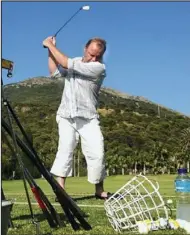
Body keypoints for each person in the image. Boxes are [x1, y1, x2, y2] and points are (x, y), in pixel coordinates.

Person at [43, 36, 111, 199]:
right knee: (65, 148)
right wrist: (50, 50)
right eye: (91, 53)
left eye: (97, 55)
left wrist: (50, 45)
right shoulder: (75, 61)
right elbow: (54, 72)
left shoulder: (98, 68)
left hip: (88, 117)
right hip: (66, 115)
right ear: (85, 49)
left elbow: (65, 63)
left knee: (97, 151)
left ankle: (99, 190)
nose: (94, 58)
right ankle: (61, 190)